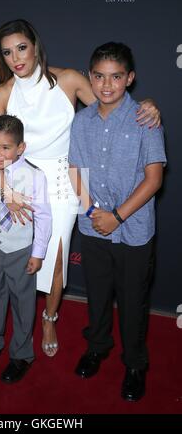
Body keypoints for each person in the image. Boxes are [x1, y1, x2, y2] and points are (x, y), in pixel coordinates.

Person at [0, 19, 161, 357]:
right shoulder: (3, 92)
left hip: (65, 180)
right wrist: (7, 192)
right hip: (19, 182)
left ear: (35, 45)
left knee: (56, 258)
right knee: (18, 256)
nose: (15, 58)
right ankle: (16, 325)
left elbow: (108, 98)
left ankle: (49, 317)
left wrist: (148, 105)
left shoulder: (67, 79)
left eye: (21, 48)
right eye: (7, 53)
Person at [68, 42, 166, 401]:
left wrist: (118, 216)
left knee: (132, 301)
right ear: (90, 77)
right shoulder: (81, 121)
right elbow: (74, 172)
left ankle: (135, 363)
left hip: (135, 230)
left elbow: (153, 179)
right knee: (96, 296)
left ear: (130, 78)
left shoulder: (145, 118)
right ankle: (97, 346)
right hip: (93, 226)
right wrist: (97, 215)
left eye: (116, 77)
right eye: (99, 76)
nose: (106, 85)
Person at [0, 115, 52, 383]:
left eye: (5, 147)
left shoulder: (34, 177)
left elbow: (44, 217)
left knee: (22, 304)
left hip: (20, 252)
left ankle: (21, 355)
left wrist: (38, 253)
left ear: (20, 148)